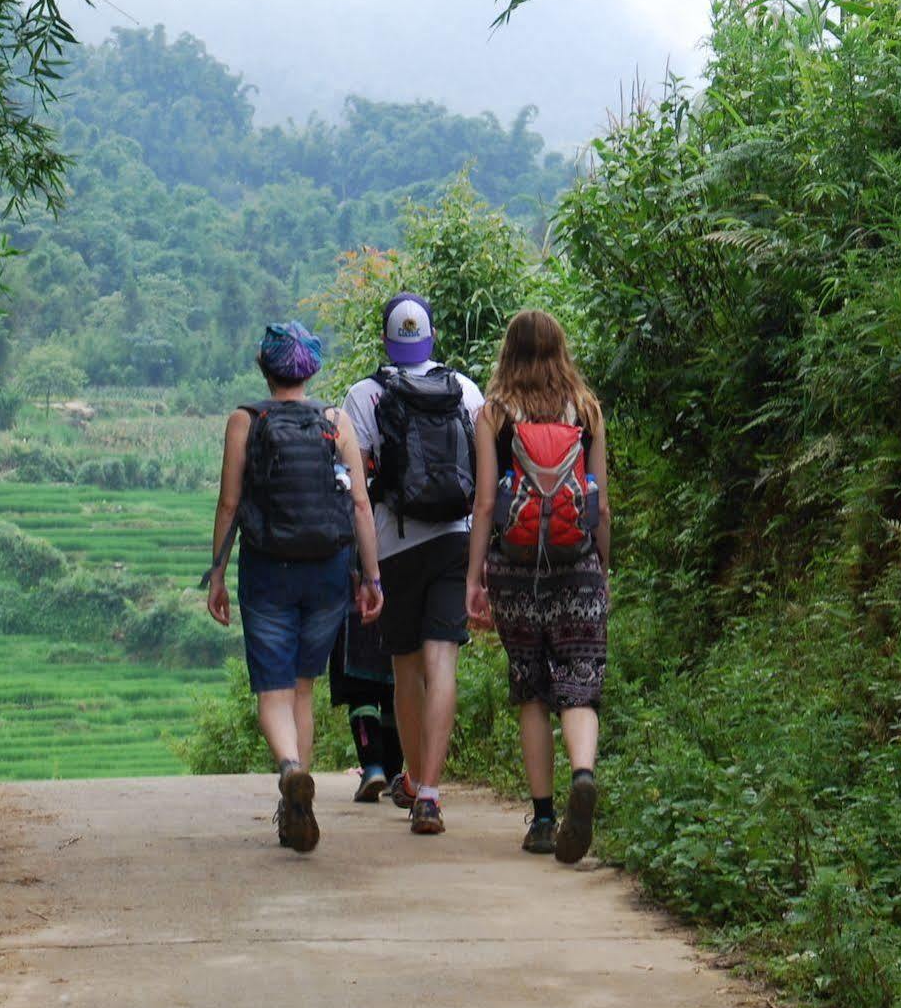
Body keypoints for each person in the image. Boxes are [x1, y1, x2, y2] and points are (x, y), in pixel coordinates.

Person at [206, 321, 384, 853]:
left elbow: (229, 504)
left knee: (273, 687)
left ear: (265, 368)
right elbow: (359, 505)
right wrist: (372, 577)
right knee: (304, 683)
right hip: (329, 570)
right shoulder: (336, 421)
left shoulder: (245, 421)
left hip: (267, 568)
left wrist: (216, 571)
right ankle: (296, 798)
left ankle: (289, 772)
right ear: (311, 370)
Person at [464, 310, 611, 863]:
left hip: (514, 568)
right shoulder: (587, 409)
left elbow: (483, 504)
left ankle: (545, 818)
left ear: (508, 352)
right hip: (578, 567)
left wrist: (474, 577)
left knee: (531, 686)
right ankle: (583, 773)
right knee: (580, 682)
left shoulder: (494, 414)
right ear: (560, 349)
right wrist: (603, 569)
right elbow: (600, 505)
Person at [341, 293, 483, 836]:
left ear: (385, 340)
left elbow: (358, 489)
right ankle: (429, 793)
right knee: (441, 661)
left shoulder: (363, 396)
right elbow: (484, 478)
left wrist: (368, 573)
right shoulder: (465, 389)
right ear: (430, 338)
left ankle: (414, 776)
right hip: (454, 538)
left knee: (405, 669)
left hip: (394, 544)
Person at [327, 578, 402, 801]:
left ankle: (372, 768)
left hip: (356, 602)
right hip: (397, 600)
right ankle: (394, 774)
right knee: (395, 693)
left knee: (361, 696)